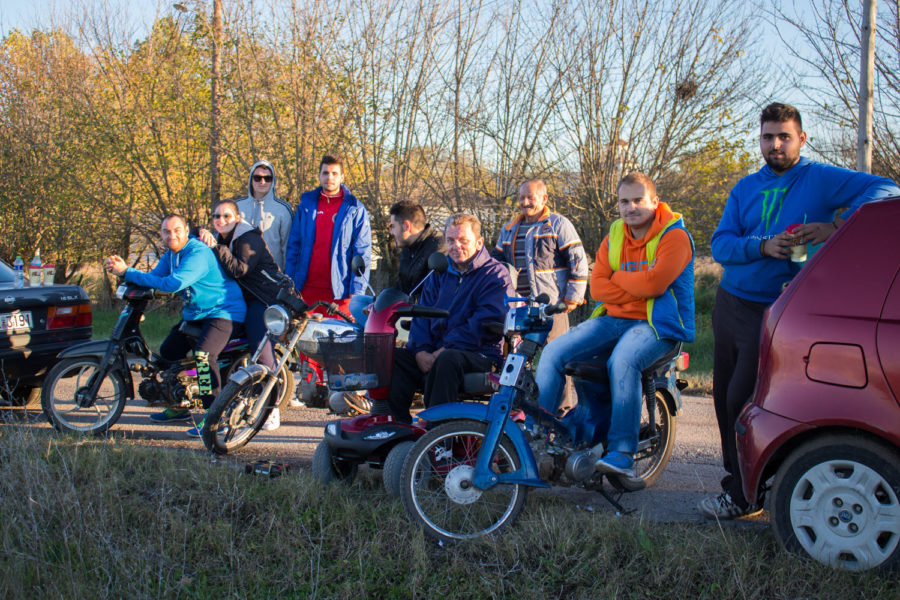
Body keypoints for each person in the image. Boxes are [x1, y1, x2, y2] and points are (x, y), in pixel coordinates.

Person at [701, 102, 900, 519]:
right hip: (731, 303)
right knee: (722, 399)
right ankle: (735, 487)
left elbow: (888, 189)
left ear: (801, 139)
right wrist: (761, 246)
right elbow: (721, 246)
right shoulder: (744, 188)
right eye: (768, 136)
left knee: (744, 398)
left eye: (784, 136)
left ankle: (744, 494)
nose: (775, 144)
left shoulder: (820, 178)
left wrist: (837, 226)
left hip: (780, 310)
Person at [533, 172, 694, 478]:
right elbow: (598, 289)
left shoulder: (675, 235)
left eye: (638, 200)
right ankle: (538, 438)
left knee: (623, 360)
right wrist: (637, 283)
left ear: (655, 202)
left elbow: (656, 284)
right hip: (614, 319)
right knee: (554, 352)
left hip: (657, 325)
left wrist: (619, 279)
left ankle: (622, 450)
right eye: (623, 201)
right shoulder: (615, 234)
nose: (630, 207)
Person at [105, 214, 246, 436]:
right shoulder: (171, 255)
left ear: (186, 230)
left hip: (223, 312)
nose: (172, 235)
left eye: (177, 230)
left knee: (203, 356)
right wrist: (124, 276)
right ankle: (178, 404)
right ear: (160, 234)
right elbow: (153, 277)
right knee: (169, 352)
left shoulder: (197, 253)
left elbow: (173, 284)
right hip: (195, 314)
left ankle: (216, 417)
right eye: (166, 232)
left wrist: (128, 271)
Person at [378, 214, 515, 423]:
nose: (455, 246)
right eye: (450, 241)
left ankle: (439, 438)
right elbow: (422, 315)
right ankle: (398, 429)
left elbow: (483, 323)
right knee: (393, 357)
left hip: (479, 354)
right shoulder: (438, 273)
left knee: (447, 359)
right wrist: (420, 351)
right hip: (436, 352)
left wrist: (444, 349)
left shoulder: (495, 275)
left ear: (479, 242)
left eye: (463, 241)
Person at [492, 178, 588, 412]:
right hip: (519, 308)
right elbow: (496, 265)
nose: (525, 202)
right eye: (522, 197)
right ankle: (525, 414)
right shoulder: (509, 228)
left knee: (557, 359)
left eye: (531, 197)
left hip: (552, 307)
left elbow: (578, 261)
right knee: (518, 362)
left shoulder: (558, 224)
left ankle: (562, 411)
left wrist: (572, 298)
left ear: (544, 198)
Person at [197, 200, 285, 430]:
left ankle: (270, 406)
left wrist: (216, 247)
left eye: (227, 216)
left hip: (262, 298)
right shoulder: (220, 237)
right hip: (237, 301)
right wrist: (200, 232)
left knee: (259, 344)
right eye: (216, 216)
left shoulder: (247, 237)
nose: (221, 220)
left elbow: (239, 269)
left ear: (237, 218)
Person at [284, 155, 371, 317]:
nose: (329, 177)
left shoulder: (355, 209)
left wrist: (357, 290)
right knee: (303, 340)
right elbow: (294, 247)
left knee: (338, 340)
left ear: (342, 177)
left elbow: (362, 252)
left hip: (340, 294)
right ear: (319, 176)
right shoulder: (306, 206)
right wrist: (290, 284)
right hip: (306, 291)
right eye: (325, 173)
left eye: (334, 173)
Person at [348, 200, 446, 326]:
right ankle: (372, 331)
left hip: (418, 312)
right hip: (400, 306)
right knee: (357, 302)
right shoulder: (407, 248)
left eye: (393, 226)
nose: (391, 232)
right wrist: (381, 301)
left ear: (406, 226)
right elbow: (400, 287)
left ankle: (375, 333)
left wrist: (409, 302)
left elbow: (433, 292)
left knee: (365, 321)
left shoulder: (438, 247)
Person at [237, 161, 294, 269]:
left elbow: (288, 247)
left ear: (273, 181)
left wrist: (286, 277)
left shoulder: (283, 209)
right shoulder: (237, 207)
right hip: (241, 273)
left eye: (267, 178)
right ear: (251, 180)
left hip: (271, 275)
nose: (262, 182)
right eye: (257, 178)